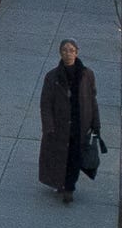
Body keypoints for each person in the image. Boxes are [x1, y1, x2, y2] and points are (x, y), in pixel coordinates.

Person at [38, 39, 102, 205]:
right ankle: (61, 183)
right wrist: (48, 126)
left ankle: (69, 188)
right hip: (60, 125)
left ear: (77, 52)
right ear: (60, 52)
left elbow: (92, 99)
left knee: (74, 157)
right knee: (60, 157)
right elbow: (45, 103)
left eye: (71, 50)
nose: (68, 53)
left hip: (80, 125)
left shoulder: (87, 74)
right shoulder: (52, 76)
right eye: (65, 50)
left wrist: (96, 123)